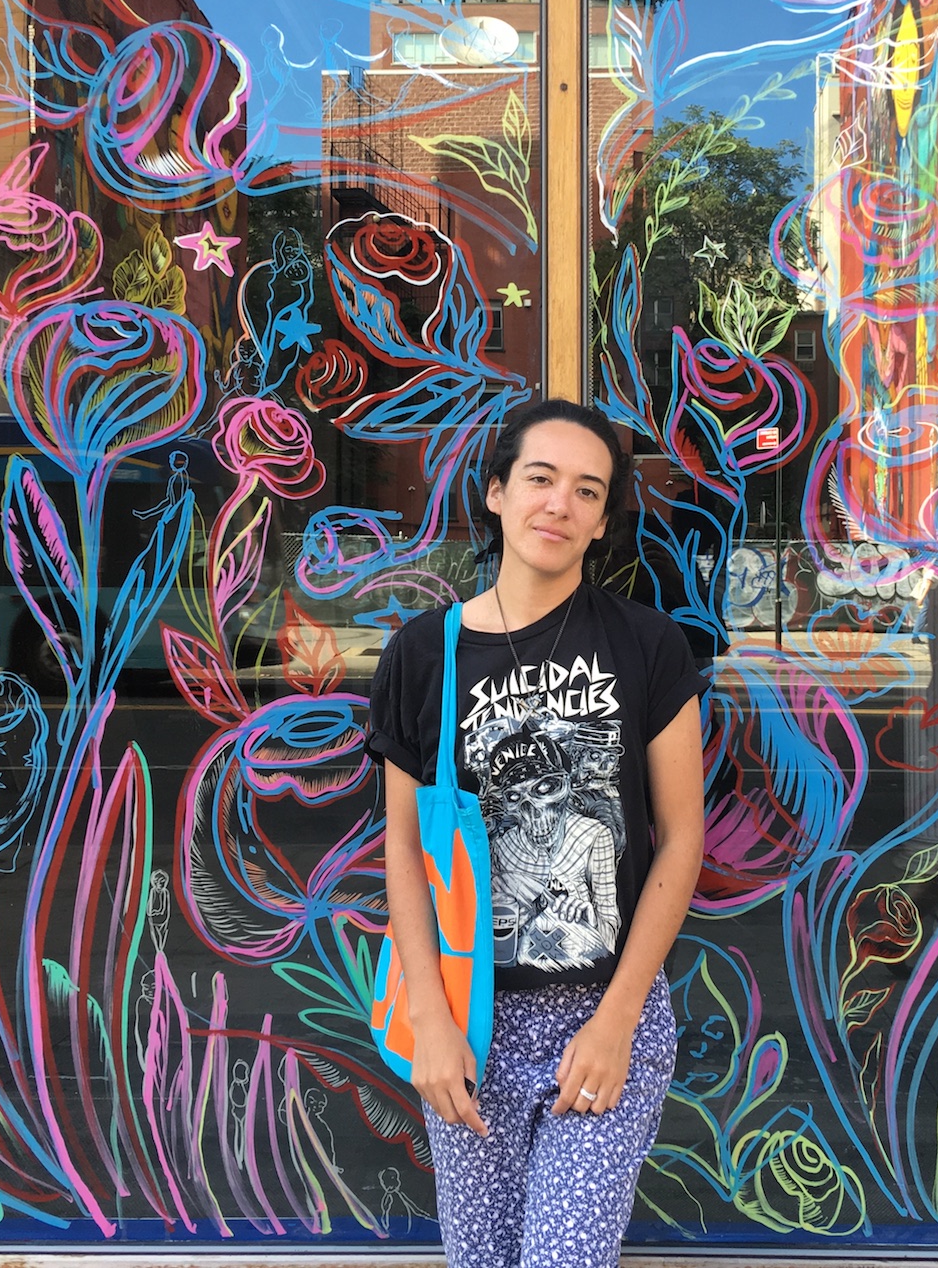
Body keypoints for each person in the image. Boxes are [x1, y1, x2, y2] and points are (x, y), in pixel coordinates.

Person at [367, 399, 708, 1268]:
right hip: (469, 1013)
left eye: (587, 491)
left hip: (605, 1011)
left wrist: (619, 1018)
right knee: (481, 1260)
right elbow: (403, 848)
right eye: (541, 479)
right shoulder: (423, 654)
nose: (559, 504)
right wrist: (433, 1026)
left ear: (600, 524)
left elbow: (680, 838)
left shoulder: (647, 645)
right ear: (496, 493)